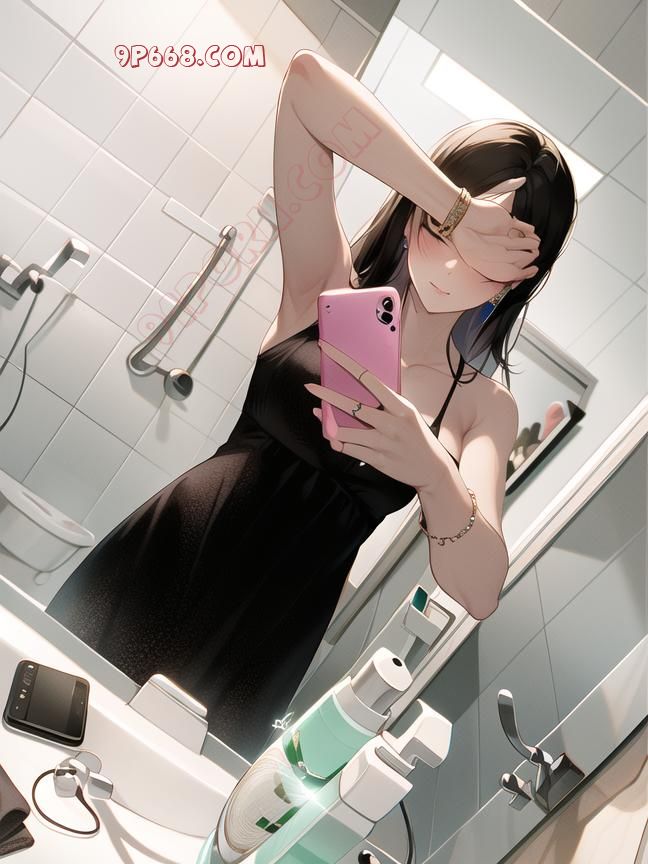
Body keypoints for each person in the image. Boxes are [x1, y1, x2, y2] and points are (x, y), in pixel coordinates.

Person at [46, 49, 576, 762]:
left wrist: (433, 471)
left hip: (269, 635)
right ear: (417, 211)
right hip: (167, 557)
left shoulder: (484, 409)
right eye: (446, 228)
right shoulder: (324, 286)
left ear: (520, 276)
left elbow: (478, 591)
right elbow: (303, 86)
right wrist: (456, 204)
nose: (456, 259)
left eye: (491, 251)